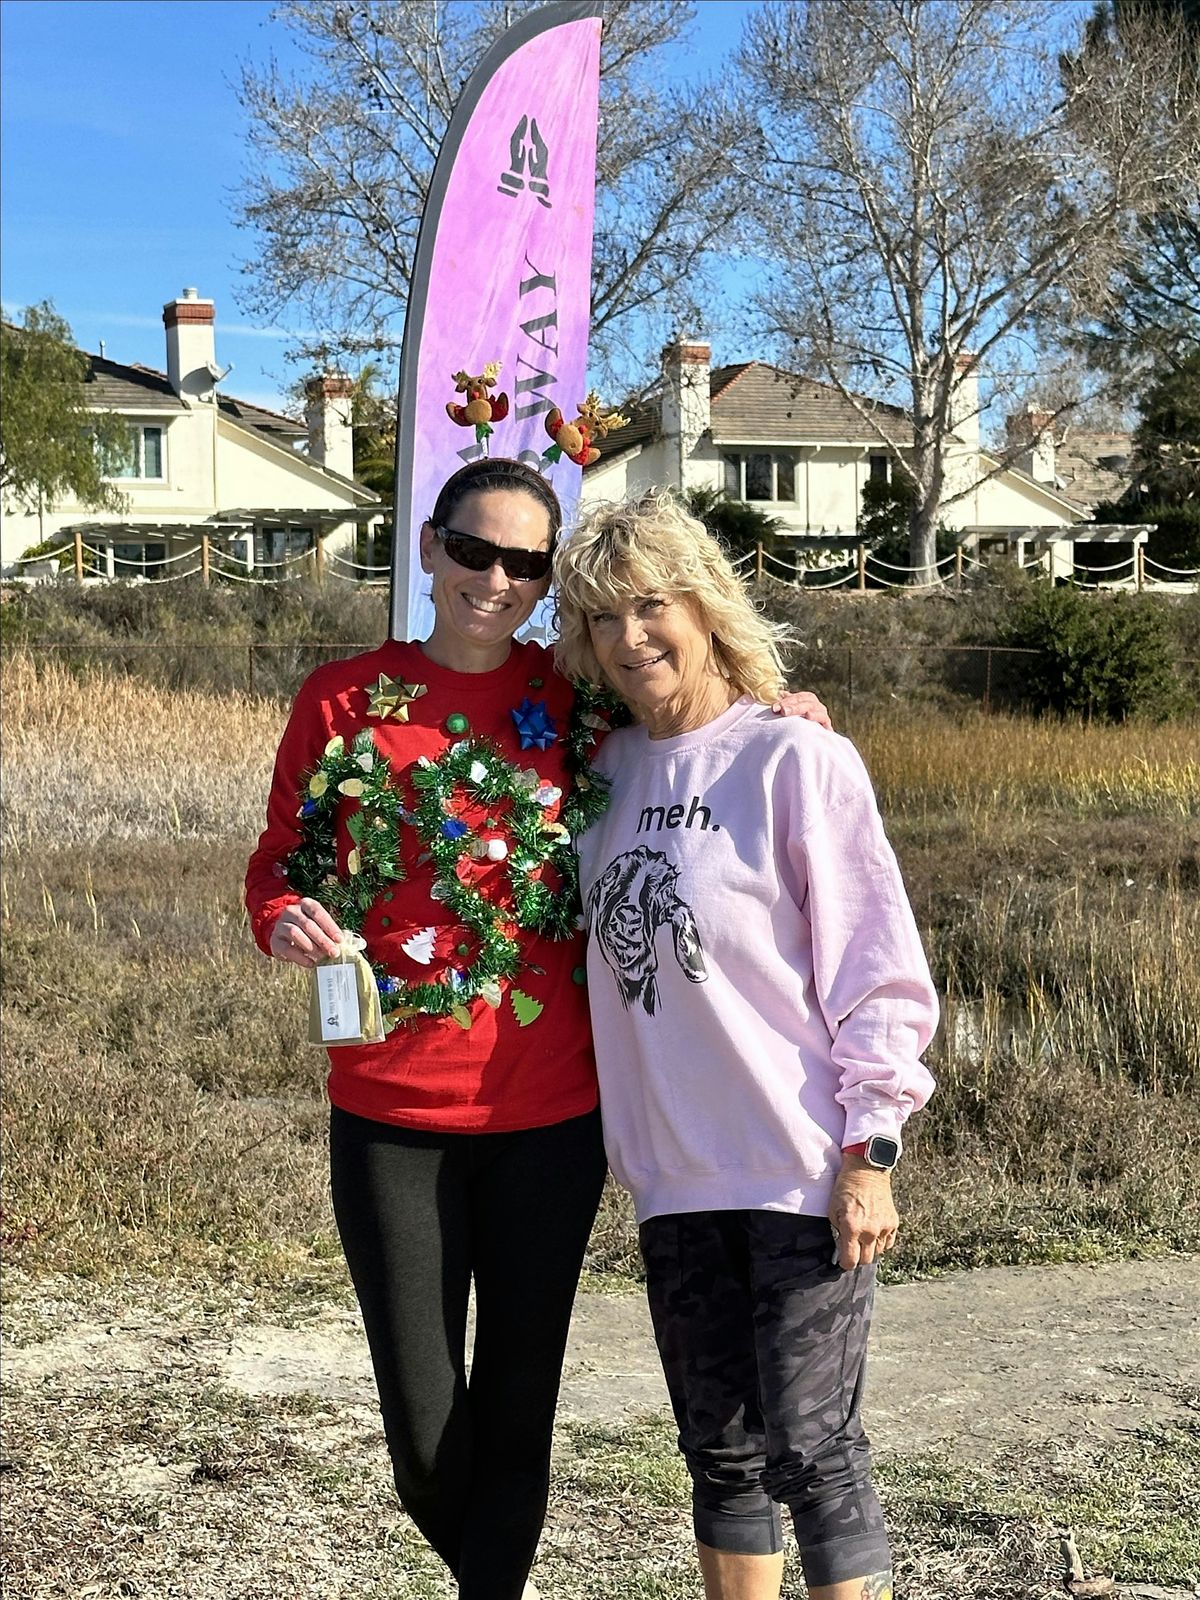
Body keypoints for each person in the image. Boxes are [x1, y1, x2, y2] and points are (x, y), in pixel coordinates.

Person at [245, 457, 829, 1600]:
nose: (496, 580)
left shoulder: (574, 704)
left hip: (550, 1119)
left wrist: (779, 716)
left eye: (524, 563)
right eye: (474, 551)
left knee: (519, 1409)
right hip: (390, 1115)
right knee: (424, 1433)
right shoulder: (344, 699)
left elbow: (686, 714)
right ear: (428, 548)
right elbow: (281, 862)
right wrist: (282, 918)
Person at [554, 490, 939, 1600]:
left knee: (814, 1451)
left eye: (649, 606)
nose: (629, 639)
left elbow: (877, 965)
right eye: (600, 621)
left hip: (799, 1170)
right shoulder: (602, 775)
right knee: (718, 1451)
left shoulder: (796, 761)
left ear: (705, 605)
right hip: (674, 1180)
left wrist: (872, 1148)